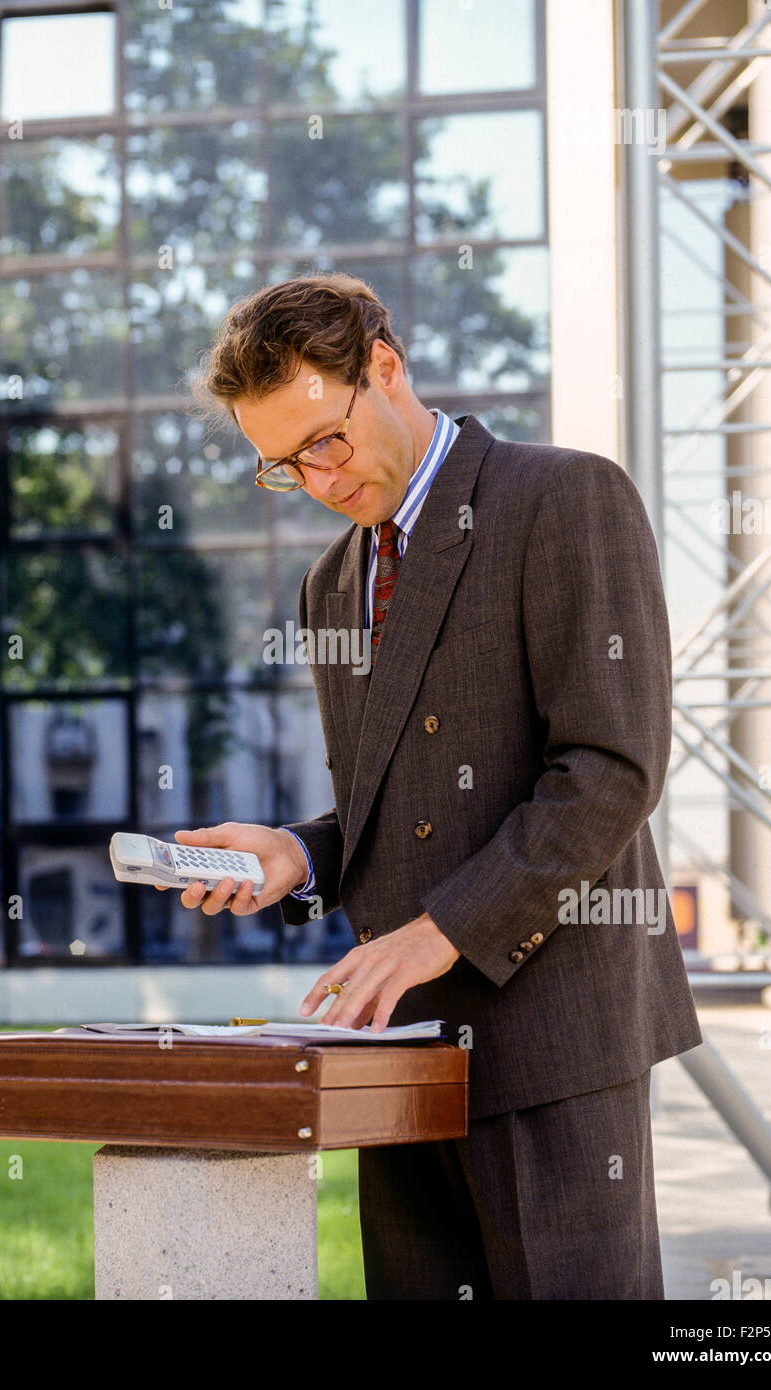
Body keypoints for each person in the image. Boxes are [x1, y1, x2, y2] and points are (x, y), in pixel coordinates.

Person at [165, 271, 702, 1299]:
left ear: (385, 367)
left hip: (554, 1040)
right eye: (282, 466)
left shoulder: (564, 497)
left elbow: (606, 770)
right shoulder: (330, 582)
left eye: (325, 439)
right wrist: (299, 856)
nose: (318, 478)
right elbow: (391, 806)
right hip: (398, 1051)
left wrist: (435, 931)